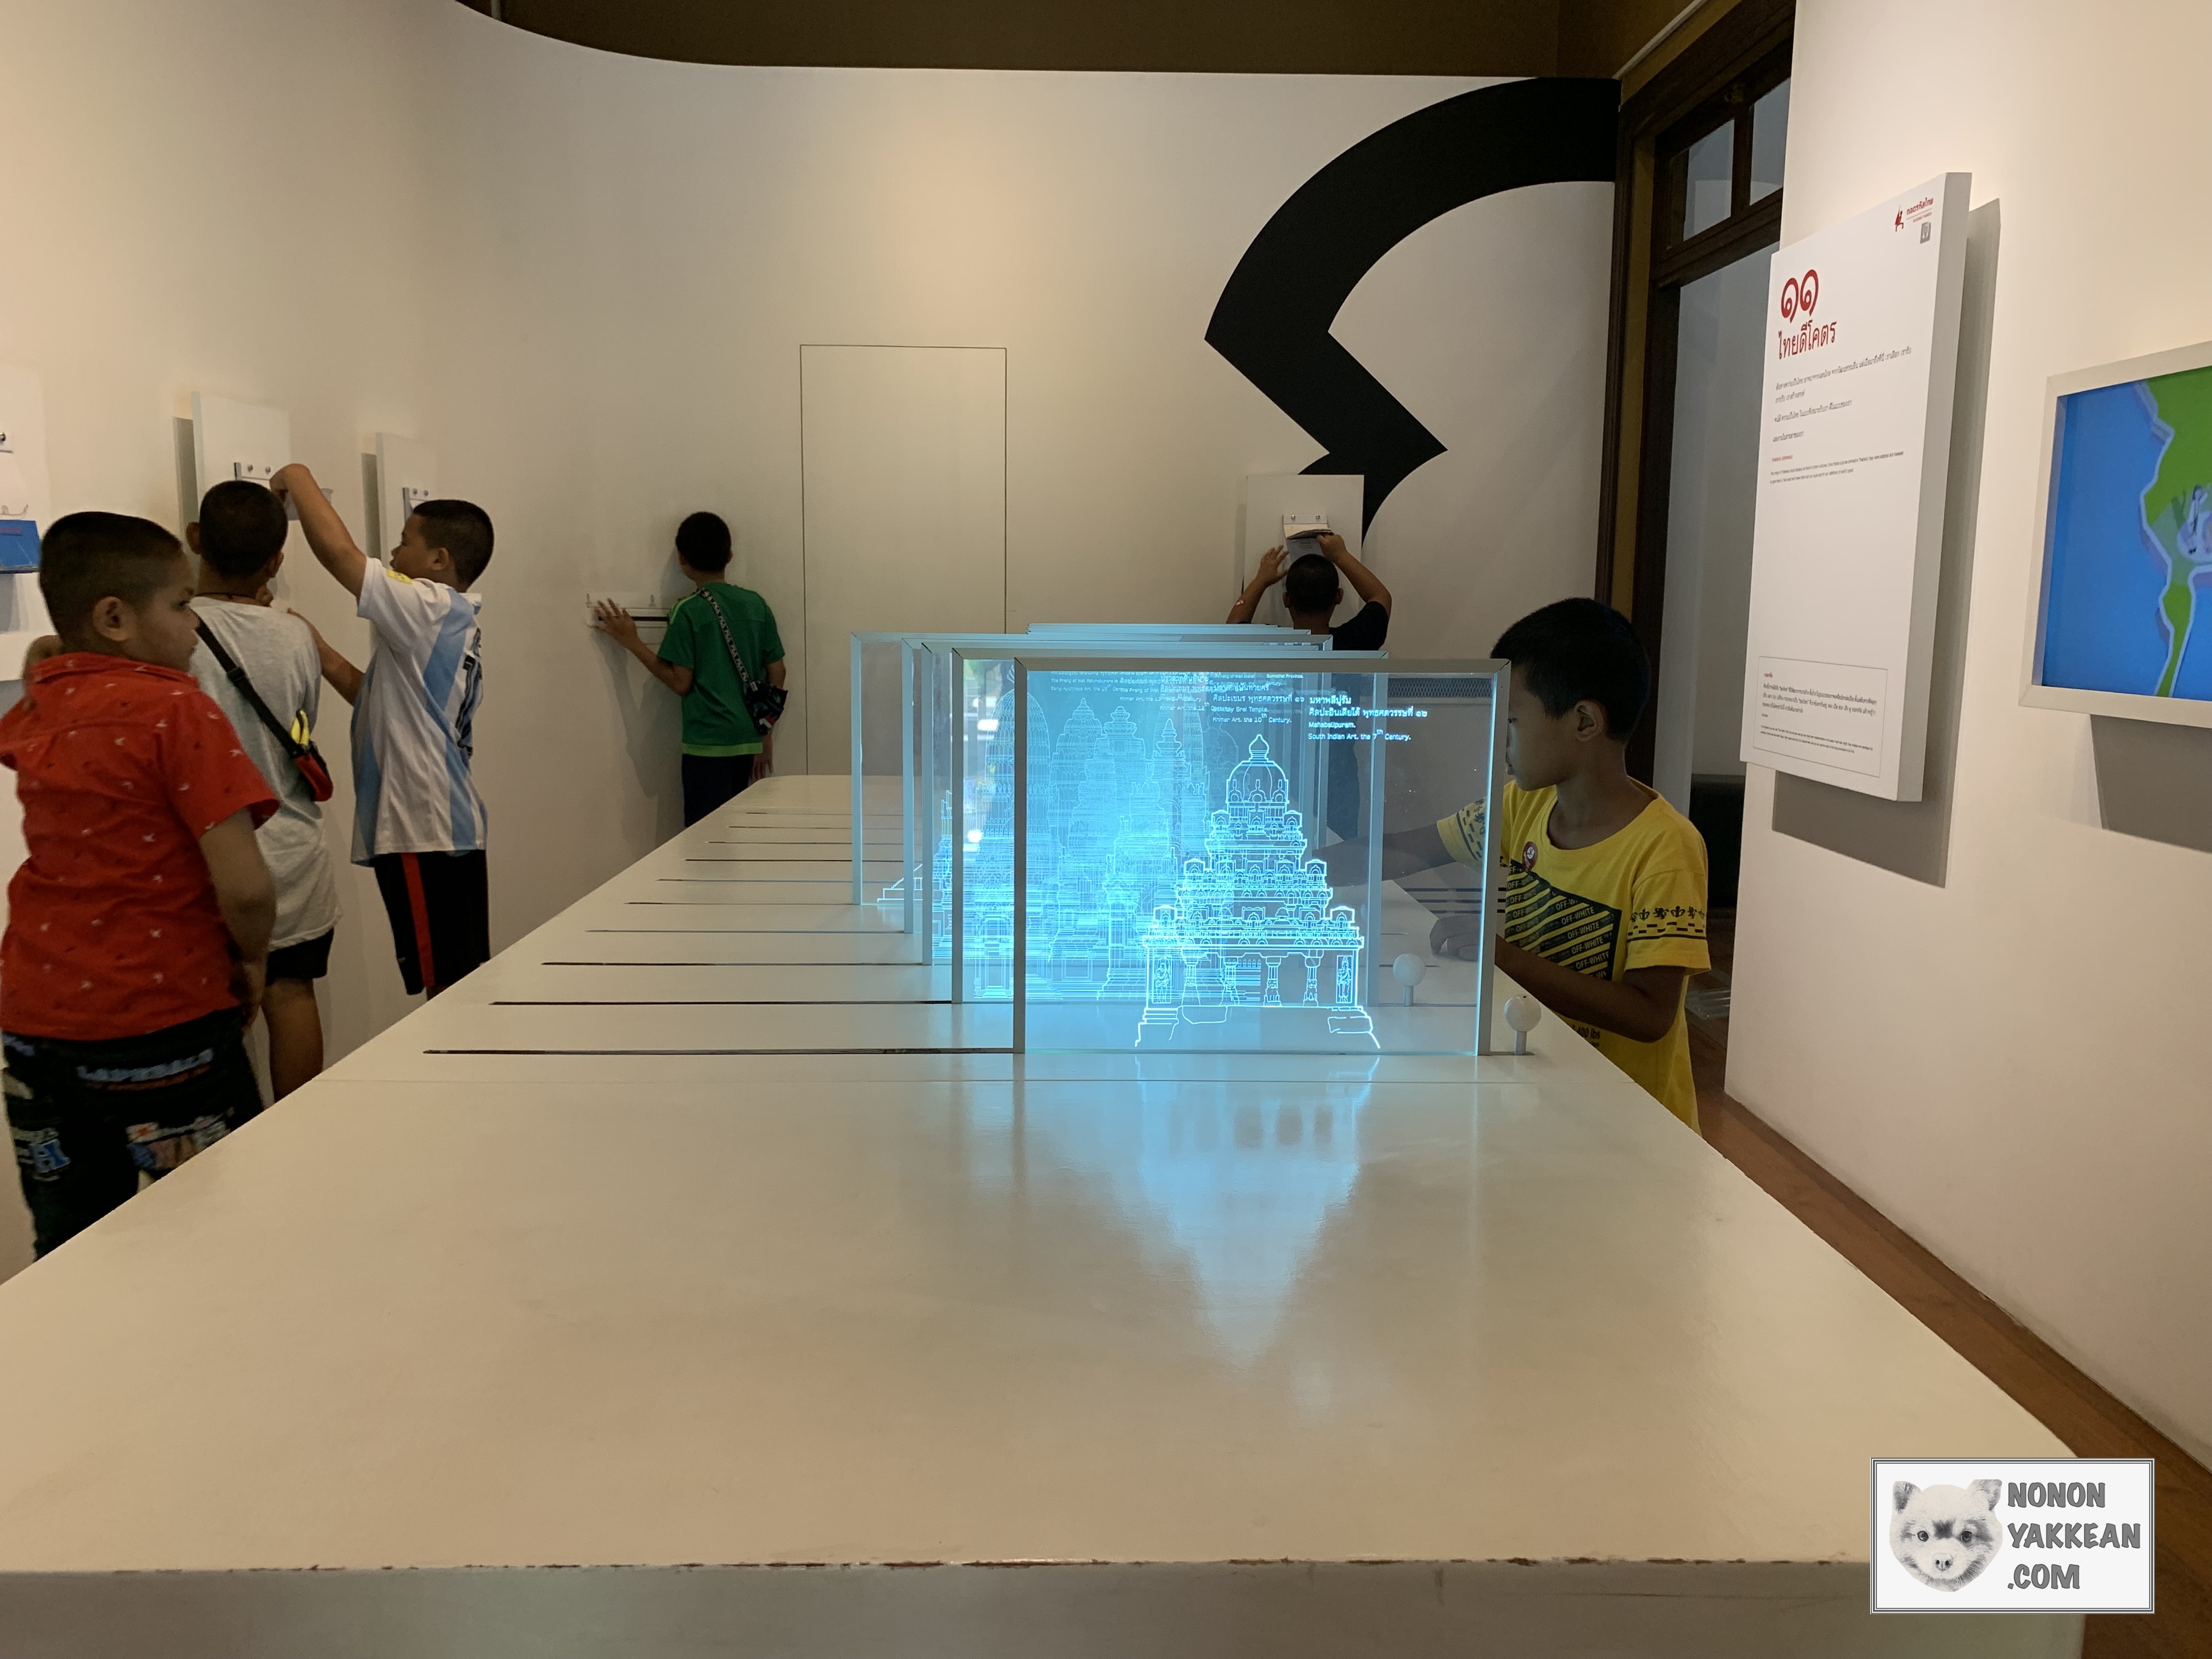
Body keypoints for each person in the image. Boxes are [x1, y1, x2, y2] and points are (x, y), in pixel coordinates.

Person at [1, 513, 278, 1255]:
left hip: (38, 1025)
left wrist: (57, 653)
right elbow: (247, 888)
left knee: (74, 1246)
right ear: (116, 618)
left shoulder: (41, 702)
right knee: (222, 1234)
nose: (195, 625)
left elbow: (45, 665)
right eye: (182, 605)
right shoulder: (178, 709)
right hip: (166, 1018)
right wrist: (253, 958)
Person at [1325, 598, 1709, 1128]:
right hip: (1543, 1086)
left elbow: (1649, 1014)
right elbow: (1406, 850)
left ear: (1583, 721)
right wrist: (1284, 870)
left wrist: (1503, 957)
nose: (1498, 741)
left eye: (1511, 721)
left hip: (1630, 1123)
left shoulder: (1665, 849)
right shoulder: (1523, 806)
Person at [269, 464, 494, 1000]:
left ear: (439, 561)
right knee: (457, 981)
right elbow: (373, 698)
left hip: (421, 827)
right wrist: (316, 646)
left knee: (446, 990)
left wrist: (296, 476)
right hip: (445, 829)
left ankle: (452, 1057)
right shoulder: (448, 622)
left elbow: (340, 556)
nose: (393, 553)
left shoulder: (429, 606)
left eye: (404, 542)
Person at [183, 481, 337, 1098]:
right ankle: (299, 1141)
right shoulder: (295, 636)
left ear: (196, 540)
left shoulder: (175, 634)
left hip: (211, 855)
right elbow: (301, 726)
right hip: (293, 848)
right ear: (275, 562)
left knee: (211, 1010)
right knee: (292, 995)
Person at [591, 511, 787, 827]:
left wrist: (633, 642)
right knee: (742, 837)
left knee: (705, 840)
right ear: (730, 555)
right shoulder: (756, 604)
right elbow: (777, 672)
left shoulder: (688, 610)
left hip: (707, 745)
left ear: (682, 559)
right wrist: (765, 735)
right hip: (749, 740)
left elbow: (681, 683)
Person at [1226, 530, 1391, 649]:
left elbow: (1233, 627)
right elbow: (1380, 596)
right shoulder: (1356, 641)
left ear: (1286, 599)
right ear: (1338, 596)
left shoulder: (1271, 646)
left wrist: (1261, 580)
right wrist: (1341, 555)